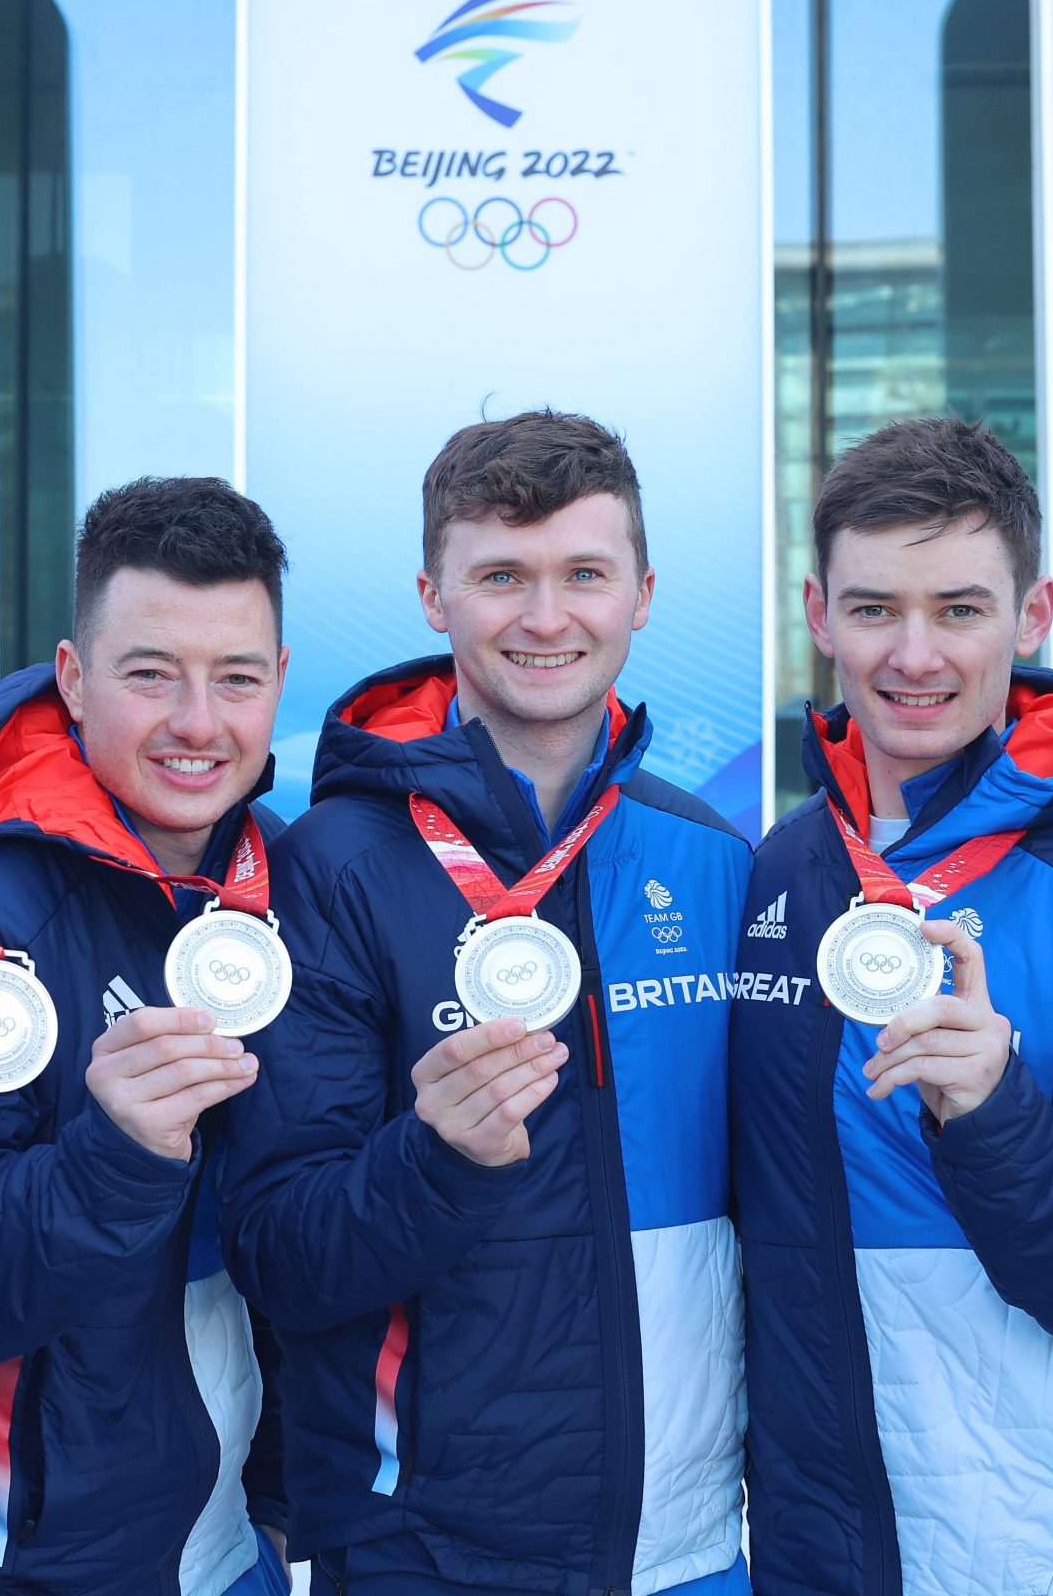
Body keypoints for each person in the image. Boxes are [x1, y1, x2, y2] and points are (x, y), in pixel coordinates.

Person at [219, 412, 752, 1595]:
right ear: (431, 593)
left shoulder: (713, 855)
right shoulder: (334, 867)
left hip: (693, 1541)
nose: (546, 617)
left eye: (583, 575)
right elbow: (280, 1254)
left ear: (645, 593)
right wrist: (436, 1158)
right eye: (500, 575)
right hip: (428, 1549)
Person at [730, 418, 1053, 1595]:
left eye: (959, 608)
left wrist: (998, 1110)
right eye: (872, 609)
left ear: (1033, 612)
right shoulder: (781, 866)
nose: (913, 653)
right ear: (816, 613)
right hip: (826, 1548)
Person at [0, 476, 292, 1595]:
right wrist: (115, 1152)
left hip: (235, 1546)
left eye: (235, 678)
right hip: (30, 1562)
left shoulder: (289, 879)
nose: (198, 723)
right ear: (72, 676)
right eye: (151, 673)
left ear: (278, 685)